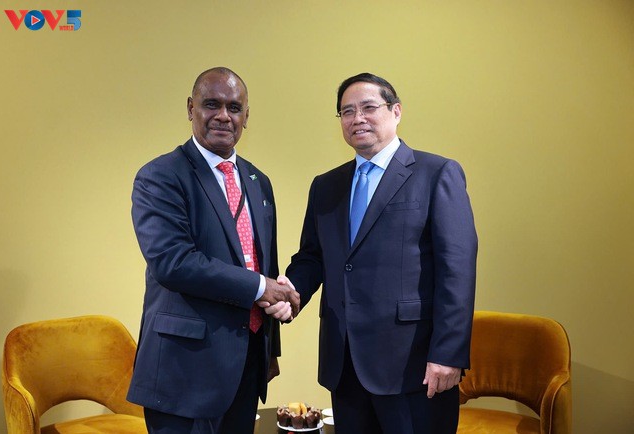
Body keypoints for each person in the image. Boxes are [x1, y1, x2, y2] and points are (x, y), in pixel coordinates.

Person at [285, 72, 477, 434]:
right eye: (347, 111)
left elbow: (458, 270)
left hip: (414, 366)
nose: (357, 118)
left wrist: (448, 354)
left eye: (368, 107)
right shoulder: (326, 186)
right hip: (344, 364)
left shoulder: (437, 173)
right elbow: (313, 257)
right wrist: (290, 292)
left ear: (396, 111)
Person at [128, 67, 299, 434]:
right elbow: (173, 262)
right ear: (191, 108)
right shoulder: (161, 176)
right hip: (184, 372)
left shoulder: (258, 181)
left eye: (234, 107)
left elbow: (261, 264)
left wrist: (272, 336)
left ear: (246, 117)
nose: (224, 115)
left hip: (246, 366)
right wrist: (262, 287)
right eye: (211, 104)